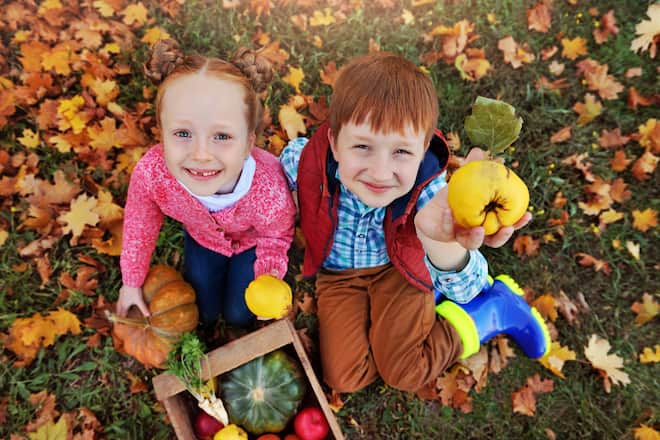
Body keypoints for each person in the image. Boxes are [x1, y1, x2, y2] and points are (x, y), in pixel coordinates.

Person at [279, 52, 549, 398]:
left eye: (401, 153)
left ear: (422, 151)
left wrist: (442, 248)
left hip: (401, 270)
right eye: (362, 146)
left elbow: (467, 287)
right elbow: (268, 188)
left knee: (404, 372)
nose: (379, 172)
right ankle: (415, 317)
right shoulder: (302, 160)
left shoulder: (431, 197)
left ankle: (491, 311)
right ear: (333, 141)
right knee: (343, 378)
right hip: (340, 275)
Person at [117, 40, 296, 329]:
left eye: (222, 136)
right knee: (204, 310)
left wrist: (269, 276)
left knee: (239, 314)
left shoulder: (268, 190)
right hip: (203, 239)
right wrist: (131, 282)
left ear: (249, 141)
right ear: (161, 133)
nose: (201, 155)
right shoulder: (154, 175)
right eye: (183, 133)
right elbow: (139, 225)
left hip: (251, 243)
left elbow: (276, 235)